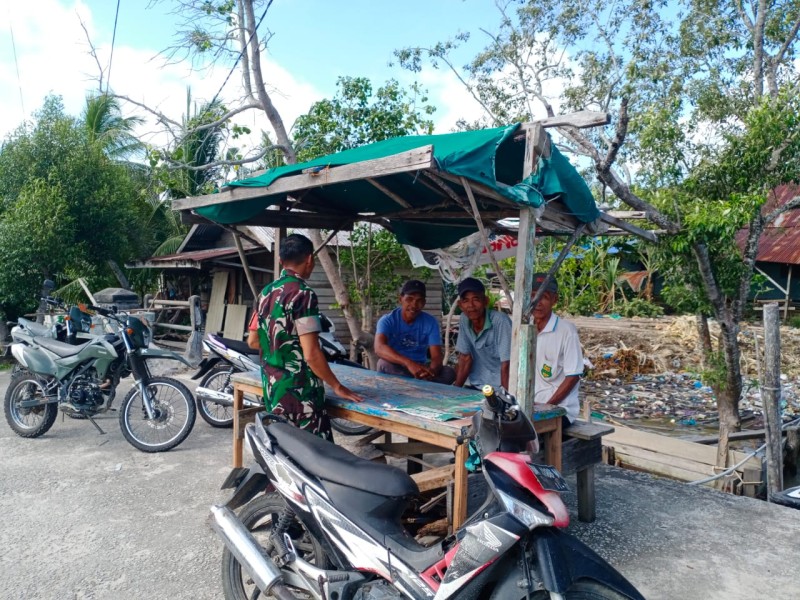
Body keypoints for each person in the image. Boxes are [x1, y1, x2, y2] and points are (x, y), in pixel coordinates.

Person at [247, 233, 362, 440]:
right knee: (316, 457)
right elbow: (311, 354)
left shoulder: (264, 293)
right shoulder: (303, 294)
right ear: (310, 259)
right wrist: (337, 386)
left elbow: (253, 340)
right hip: (301, 396)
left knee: (286, 454)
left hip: (273, 391)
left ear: (281, 261)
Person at [375, 279, 456, 384]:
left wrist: (431, 372)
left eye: (419, 300)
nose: (414, 305)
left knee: (449, 372)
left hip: (421, 368)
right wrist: (409, 364)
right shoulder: (387, 320)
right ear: (400, 299)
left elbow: (436, 356)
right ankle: (421, 386)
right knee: (383, 364)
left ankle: (418, 384)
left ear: (424, 303)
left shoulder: (430, 322)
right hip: (398, 367)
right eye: (409, 299)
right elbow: (379, 348)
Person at [530, 273, 584, 427]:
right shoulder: (524, 328)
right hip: (531, 405)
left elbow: (573, 376)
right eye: (533, 296)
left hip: (560, 409)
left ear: (555, 300)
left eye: (544, 297)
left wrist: (546, 407)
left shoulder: (566, 331)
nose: (537, 302)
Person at [453, 277, 512, 390]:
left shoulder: (500, 321)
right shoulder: (464, 319)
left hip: (499, 387)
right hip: (476, 384)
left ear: (485, 301)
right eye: (466, 301)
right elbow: (465, 358)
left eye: (476, 299)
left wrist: (506, 398)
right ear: (460, 305)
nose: (471, 305)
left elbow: (507, 364)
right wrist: (455, 390)